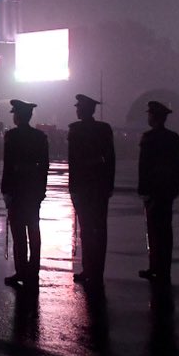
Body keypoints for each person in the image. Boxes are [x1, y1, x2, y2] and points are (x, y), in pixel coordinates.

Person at [68, 93, 115, 288]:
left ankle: (91, 269)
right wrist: (109, 185)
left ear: (86, 109)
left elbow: (75, 162)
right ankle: (94, 270)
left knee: (89, 229)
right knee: (96, 229)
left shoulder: (77, 130)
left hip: (86, 185)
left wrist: (73, 187)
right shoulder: (103, 129)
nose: (77, 109)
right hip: (97, 185)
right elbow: (110, 160)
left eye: (79, 107)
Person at [0, 99, 49, 288]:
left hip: (17, 189)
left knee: (19, 233)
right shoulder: (39, 136)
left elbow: (8, 165)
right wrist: (41, 189)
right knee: (33, 230)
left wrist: (6, 190)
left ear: (18, 116)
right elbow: (44, 165)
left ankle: (21, 270)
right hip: (33, 189)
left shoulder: (12, 136)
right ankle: (33, 271)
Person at [137, 101, 179, 283]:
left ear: (153, 117)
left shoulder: (149, 138)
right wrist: (174, 188)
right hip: (167, 190)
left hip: (153, 189)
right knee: (165, 230)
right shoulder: (174, 139)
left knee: (154, 230)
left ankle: (155, 266)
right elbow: (178, 166)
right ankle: (164, 267)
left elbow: (144, 166)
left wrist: (143, 189)